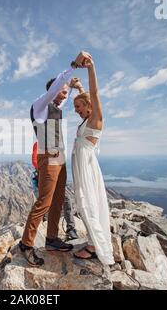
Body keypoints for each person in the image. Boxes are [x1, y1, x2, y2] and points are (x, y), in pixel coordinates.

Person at [18, 52, 87, 267]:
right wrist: (74, 66)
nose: (64, 93)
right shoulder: (39, 107)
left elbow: (63, 97)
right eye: (62, 90)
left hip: (60, 159)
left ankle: (51, 239)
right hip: (48, 159)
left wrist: (75, 87)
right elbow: (58, 83)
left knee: (57, 201)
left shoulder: (56, 107)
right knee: (44, 203)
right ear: (53, 91)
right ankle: (26, 245)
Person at [71, 52, 114, 265]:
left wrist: (90, 67)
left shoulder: (96, 119)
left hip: (86, 169)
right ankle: (94, 241)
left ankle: (94, 246)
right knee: (86, 202)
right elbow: (87, 96)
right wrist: (79, 88)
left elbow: (94, 93)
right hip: (83, 168)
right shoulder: (88, 118)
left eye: (79, 108)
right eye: (75, 108)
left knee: (87, 203)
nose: (77, 111)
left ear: (89, 107)